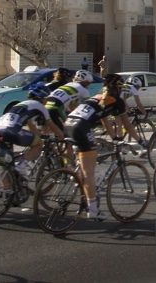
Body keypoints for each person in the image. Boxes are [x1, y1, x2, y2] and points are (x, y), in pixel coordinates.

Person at [65, 74, 127, 219]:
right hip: (81, 128)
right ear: (117, 89)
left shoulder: (97, 97)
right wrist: (141, 142)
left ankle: (80, 180)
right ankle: (93, 210)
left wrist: (115, 139)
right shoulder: (116, 101)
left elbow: (105, 121)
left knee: (85, 166)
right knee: (89, 174)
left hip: (68, 124)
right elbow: (127, 125)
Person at [0, 82, 62, 177]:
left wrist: (41, 135)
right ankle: (22, 166)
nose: (47, 101)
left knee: (7, 166)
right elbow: (52, 126)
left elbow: (31, 127)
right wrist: (62, 137)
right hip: (12, 131)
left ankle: (7, 190)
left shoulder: (22, 104)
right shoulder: (40, 106)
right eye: (47, 99)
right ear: (42, 98)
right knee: (39, 144)